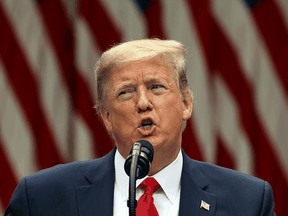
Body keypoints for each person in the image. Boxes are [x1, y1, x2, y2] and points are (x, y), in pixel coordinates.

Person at [5, 39, 275, 216]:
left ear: (186, 104)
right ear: (106, 116)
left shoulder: (248, 202)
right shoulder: (41, 199)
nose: (143, 102)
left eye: (156, 87)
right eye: (125, 93)